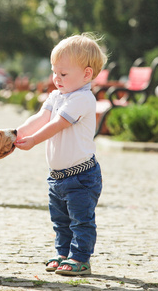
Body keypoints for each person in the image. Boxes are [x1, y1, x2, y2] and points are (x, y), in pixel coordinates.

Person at [14, 33, 107, 276]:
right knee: (60, 221)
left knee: (80, 220)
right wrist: (17, 133)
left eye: (63, 74)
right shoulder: (57, 95)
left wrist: (34, 140)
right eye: (55, 72)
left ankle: (80, 257)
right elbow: (42, 117)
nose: (57, 78)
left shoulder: (82, 98)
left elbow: (58, 124)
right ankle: (63, 253)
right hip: (57, 177)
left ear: (86, 74)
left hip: (81, 176)